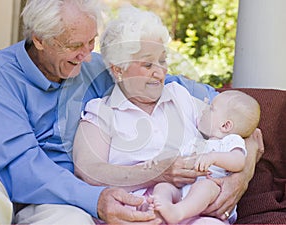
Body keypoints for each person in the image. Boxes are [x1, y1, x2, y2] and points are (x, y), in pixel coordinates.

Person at [73, 5, 264, 225]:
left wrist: (242, 175)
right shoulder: (101, 113)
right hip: (137, 212)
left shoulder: (180, 96)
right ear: (119, 70)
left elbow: (242, 126)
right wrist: (156, 173)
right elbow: (89, 172)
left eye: (162, 60)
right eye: (147, 64)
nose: (160, 72)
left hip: (192, 209)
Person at [151, 90, 260, 224]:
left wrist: (214, 157)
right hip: (186, 191)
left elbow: (238, 161)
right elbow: (179, 158)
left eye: (211, 108)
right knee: (163, 187)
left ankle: (177, 213)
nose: (203, 110)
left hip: (213, 196)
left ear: (225, 125)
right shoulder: (199, 142)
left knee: (205, 186)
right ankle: (159, 206)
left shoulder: (231, 141)